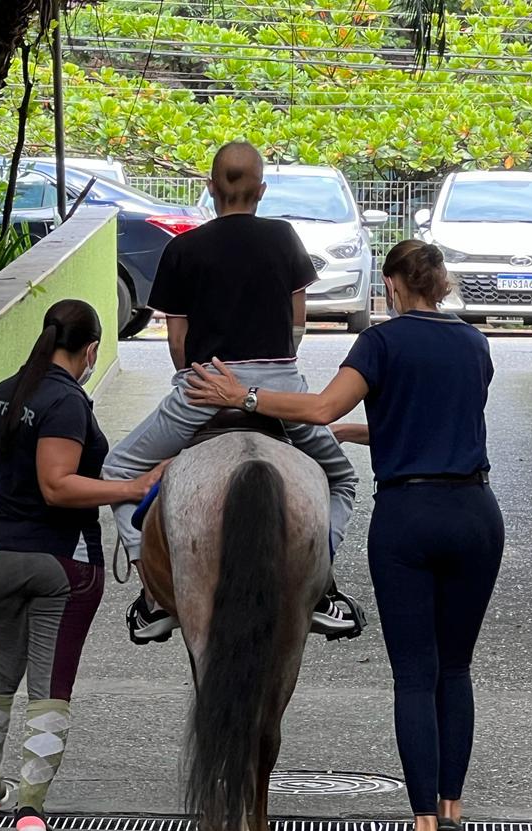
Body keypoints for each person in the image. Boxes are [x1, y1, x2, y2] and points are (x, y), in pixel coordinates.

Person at [185, 240, 505, 831]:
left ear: (390, 286)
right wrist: (355, 433)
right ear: (440, 286)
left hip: (410, 517)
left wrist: (242, 397)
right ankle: (453, 816)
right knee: (455, 669)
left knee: (414, 673)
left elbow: (322, 405)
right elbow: (433, 420)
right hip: (475, 513)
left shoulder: (381, 343)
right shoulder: (475, 344)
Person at [102, 142, 363, 644]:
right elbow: (297, 323)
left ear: (209, 187)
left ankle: (155, 595)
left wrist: (196, 382)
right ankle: (322, 588)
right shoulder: (284, 237)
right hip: (279, 387)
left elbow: (178, 340)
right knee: (342, 479)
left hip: (204, 387)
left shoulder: (182, 249)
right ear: (261, 191)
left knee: (119, 468)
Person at [0, 300, 165, 831]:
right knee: (50, 687)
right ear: (91, 349)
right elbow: (58, 485)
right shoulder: (66, 401)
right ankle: (30, 810)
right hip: (61, 560)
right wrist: (134, 487)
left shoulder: (3, 392)